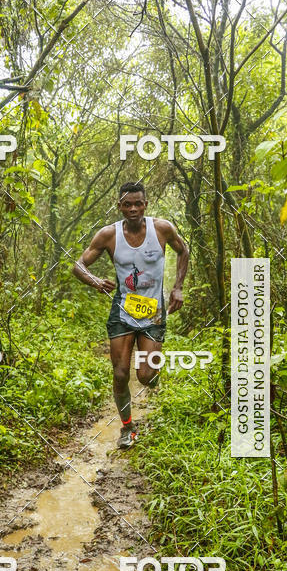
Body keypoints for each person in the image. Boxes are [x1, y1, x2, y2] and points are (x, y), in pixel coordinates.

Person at [72, 182, 189, 448]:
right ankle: (127, 429)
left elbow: (183, 251)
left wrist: (178, 288)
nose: (133, 209)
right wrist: (95, 281)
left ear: (146, 205)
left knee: (146, 376)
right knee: (121, 373)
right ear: (120, 206)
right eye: (128, 204)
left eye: (138, 203)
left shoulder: (162, 229)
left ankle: (154, 368)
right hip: (123, 311)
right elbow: (78, 266)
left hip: (153, 312)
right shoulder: (108, 235)